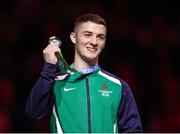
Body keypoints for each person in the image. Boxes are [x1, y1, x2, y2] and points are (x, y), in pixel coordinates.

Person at [25, 13, 143, 133]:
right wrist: (49, 68)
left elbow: (133, 130)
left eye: (100, 37)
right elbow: (32, 113)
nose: (94, 42)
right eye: (88, 35)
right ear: (73, 37)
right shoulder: (56, 82)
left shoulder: (118, 86)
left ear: (105, 42)